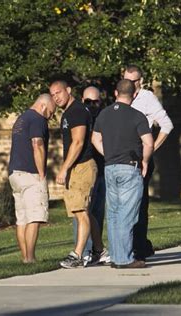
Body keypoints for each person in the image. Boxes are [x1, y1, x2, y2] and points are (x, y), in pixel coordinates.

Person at [91, 79, 153, 269]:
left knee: (114, 213)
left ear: (116, 94)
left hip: (110, 167)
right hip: (129, 166)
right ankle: (125, 258)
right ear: (134, 95)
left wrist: (108, 153)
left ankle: (117, 257)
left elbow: (95, 139)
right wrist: (145, 161)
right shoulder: (138, 116)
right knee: (127, 214)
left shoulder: (104, 114)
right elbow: (148, 142)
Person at [49, 80, 106, 269]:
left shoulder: (77, 111)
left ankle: (78, 255)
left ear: (68, 90)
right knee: (85, 212)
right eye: (53, 94)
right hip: (78, 167)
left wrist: (64, 168)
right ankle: (99, 250)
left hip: (82, 167)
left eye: (59, 92)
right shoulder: (69, 112)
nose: (56, 97)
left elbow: (79, 142)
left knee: (80, 212)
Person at [123, 65, 174, 261]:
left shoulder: (147, 98)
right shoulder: (122, 97)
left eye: (134, 81)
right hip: (122, 158)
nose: (130, 84)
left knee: (139, 203)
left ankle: (139, 247)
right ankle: (133, 245)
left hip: (141, 158)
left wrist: (150, 149)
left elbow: (167, 125)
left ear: (140, 81)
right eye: (126, 80)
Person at [8, 93, 56, 263]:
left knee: (22, 219)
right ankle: (30, 258)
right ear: (43, 106)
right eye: (51, 112)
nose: (51, 117)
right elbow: (37, 144)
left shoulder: (22, 118)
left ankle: (24, 258)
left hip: (15, 173)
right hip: (30, 173)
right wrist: (42, 173)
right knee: (34, 217)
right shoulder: (37, 119)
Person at [71, 86, 109, 266]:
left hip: (102, 172)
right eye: (88, 102)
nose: (93, 105)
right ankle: (83, 251)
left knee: (97, 214)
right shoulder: (80, 117)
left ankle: (96, 250)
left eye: (96, 102)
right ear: (82, 100)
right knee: (82, 211)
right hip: (86, 170)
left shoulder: (104, 118)